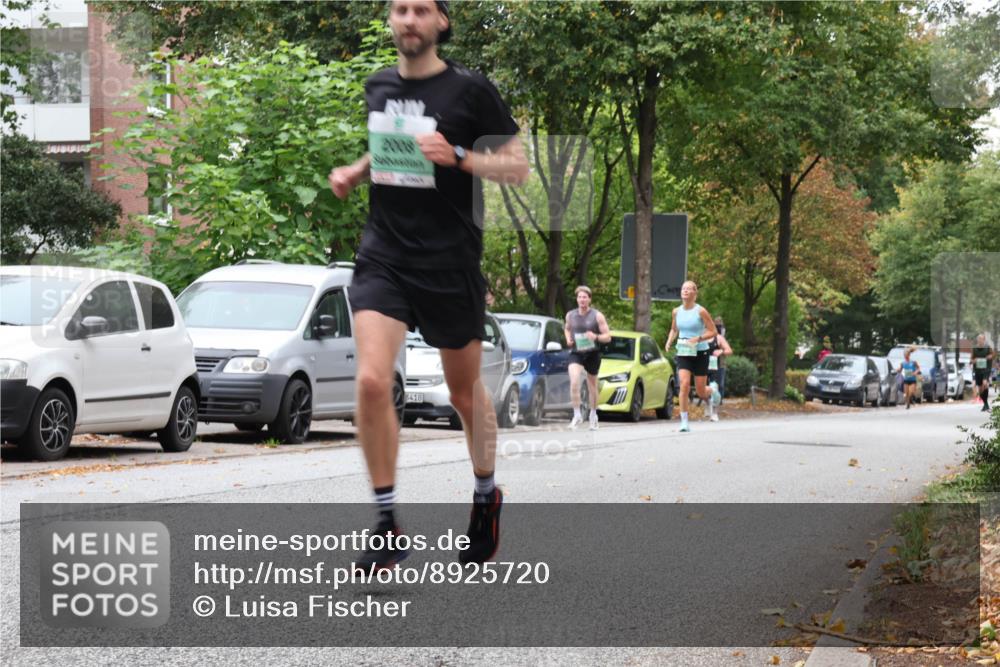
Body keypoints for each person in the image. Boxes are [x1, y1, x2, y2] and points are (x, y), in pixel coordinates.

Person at [327, 0, 528, 571]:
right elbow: (393, 143)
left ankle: (486, 494)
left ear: (441, 22)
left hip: (449, 259)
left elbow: (516, 166)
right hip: (384, 252)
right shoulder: (379, 86)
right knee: (370, 381)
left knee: (464, 394)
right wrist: (357, 170)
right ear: (391, 20)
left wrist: (461, 155)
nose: (409, 19)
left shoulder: (470, 91)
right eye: (400, 9)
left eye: (421, 10)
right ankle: (387, 521)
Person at [664, 281, 719, 431]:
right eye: (683, 289)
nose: (686, 291)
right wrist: (669, 341)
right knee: (684, 385)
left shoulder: (701, 311)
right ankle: (684, 422)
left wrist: (698, 338)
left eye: (689, 289)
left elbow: (713, 331)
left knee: (701, 392)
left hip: (701, 352)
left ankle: (712, 390)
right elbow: (674, 329)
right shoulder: (676, 311)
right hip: (683, 352)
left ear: (695, 294)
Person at [564, 286, 612, 430]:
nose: (582, 300)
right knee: (574, 380)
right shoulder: (570, 315)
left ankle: (593, 415)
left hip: (592, 353)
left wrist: (596, 336)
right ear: (577, 299)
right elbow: (567, 328)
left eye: (585, 297)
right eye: (579, 297)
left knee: (592, 386)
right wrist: (568, 339)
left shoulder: (597, 316)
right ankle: (577, 414)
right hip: (576, 352)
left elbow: (608, 337)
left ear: (589, 299)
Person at [706, 316, 733, 404]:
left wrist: (721, 350)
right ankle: (709, 401)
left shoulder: (720, 336)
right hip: (706, 364)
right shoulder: (704, 336)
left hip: (720, 363)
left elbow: (728, 350)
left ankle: (718, 401)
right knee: (707, 385)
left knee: (719, 384)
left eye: (719, 322)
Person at [971, 333, 995, 412]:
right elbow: (971, 360)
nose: (980, 341)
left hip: (986, 369)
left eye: (981, 339)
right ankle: (985, 404)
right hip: (978, 370)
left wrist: (990, 356)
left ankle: (986, 405)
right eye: (979, 339)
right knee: (980, 389)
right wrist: (974, 361)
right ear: (977, 340)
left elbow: (993, 355)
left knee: (985, 383)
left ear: (984, 340)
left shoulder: (988, 348)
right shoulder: (974, 348)